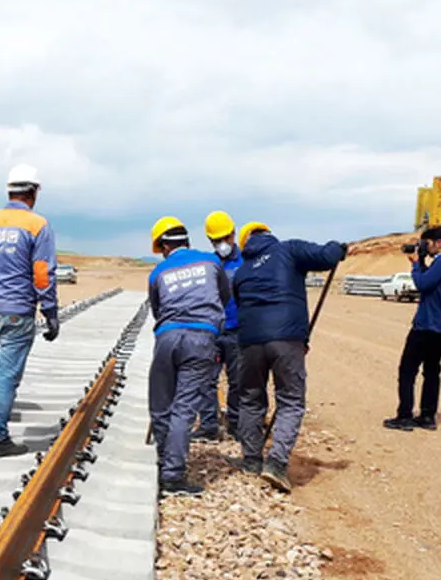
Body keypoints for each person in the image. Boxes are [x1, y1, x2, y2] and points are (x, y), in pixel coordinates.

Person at [232, 222, 347, 492]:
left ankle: (250, 460)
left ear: (245, 243)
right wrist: (338, 248)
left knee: (250, 398)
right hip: (286, 340)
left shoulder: (242, 271)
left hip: (250, 342)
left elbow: (239, 304)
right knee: (291, 400)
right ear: (268, 234)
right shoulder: (289, 250)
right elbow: (326, 257)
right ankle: (276, 463)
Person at [0, 165, 59, 458]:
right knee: (6, 376)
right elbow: (42, 274)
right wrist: (51, 313)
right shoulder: (38, 225)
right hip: (17, 309)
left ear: (10, 190)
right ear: (33, 192)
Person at [146, 216, 231, 496]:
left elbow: (157, 309)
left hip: (167, 337)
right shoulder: (211, 261)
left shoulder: (158, 273)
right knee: (184, 407)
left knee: (161, 403)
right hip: (201, 339)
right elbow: (224, 296)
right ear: (186, 241)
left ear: (163, 247)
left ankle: (163, 459)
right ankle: (172, 475)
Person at [383, 225, 441, 431]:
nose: (425, 248)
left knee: (407, 370)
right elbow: (434, 283)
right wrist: (422, 262)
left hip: (427, 325)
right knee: (431, 371)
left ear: (439, 243)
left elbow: (422, 284)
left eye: (427, 244)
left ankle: (405, 416)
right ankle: (428, 416)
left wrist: (416, 264)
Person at [192, 210, 244, 441]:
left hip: (237, 331)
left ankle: (235, 423)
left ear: (233, 234)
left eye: (226, 238)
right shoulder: (208, 264)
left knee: (238, 381)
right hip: (213, 332)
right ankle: (209, 425)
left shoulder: (246, 262)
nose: (222, 244)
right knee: (206, 380)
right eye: (217, 240)